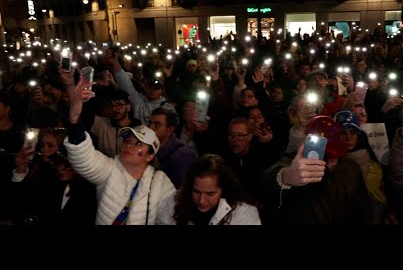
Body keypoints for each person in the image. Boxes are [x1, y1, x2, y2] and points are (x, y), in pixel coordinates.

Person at [62, 74, 176, 225]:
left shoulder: (160, 183)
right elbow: (85, 157)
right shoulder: (110, 169)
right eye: (128, 140)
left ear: (149, 156)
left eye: (138, 144)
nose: (129, 144)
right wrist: (74, 119)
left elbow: (172, 216)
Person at [261, 115, 372, 225]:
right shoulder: (296, 161)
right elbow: (269, 179)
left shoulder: (350, 167)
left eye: (332, 136)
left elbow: (362, 207)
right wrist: (286, 176)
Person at [157, 154, 261, 225]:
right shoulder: (175, 202)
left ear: (223, 190)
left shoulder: (244, 214)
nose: (201, 200)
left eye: (210, 194)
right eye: (196, 192)